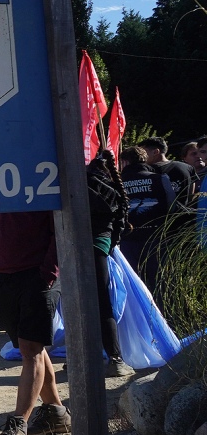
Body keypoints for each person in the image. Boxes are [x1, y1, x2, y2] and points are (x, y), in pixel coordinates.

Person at [0, 211, 68, 435]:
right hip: (2, 278)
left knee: (30, 350)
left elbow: (59, 227)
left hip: (38, 276)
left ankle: (18, 426)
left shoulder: (44, 177)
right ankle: (57, 413)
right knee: (31, 349)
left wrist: (49, 271)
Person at [86, 151, 135, 377]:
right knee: (103, 304)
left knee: (79, 305)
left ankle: (85, 355)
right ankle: (114, 358)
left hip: (74, 249)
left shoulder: (82, 187)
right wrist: (108, 244)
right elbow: (119, 227)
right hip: (100, 249)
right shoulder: (115, 190)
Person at [120, 145, 175, 295]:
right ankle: (163, 316)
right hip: (157, 238)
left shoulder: (118, 182)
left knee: (134, 285)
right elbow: (172, 206)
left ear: (124, 162)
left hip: (129, 239)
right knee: (161, 284)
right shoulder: (160, 179)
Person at [139, 136, 197, 220]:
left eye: (144, 152)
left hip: (158, 221)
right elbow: (191, 194)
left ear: (156, 152)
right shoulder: (187, 167)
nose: (142, 156)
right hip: (184, 219)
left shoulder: (148, 172)